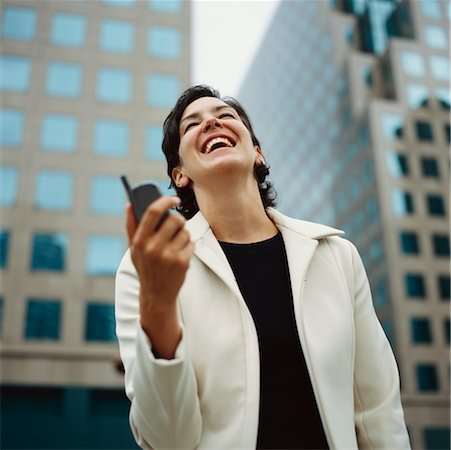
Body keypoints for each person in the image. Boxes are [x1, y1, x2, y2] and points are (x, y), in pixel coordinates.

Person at [115, 85, 411, 450]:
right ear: (180, 175)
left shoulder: (337, 256)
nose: (210, 121)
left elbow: (378, 410)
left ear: (257, 152)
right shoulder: (145, 267)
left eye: (225, 116)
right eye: (192, 124)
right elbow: (168, 440)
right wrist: (158, 303)